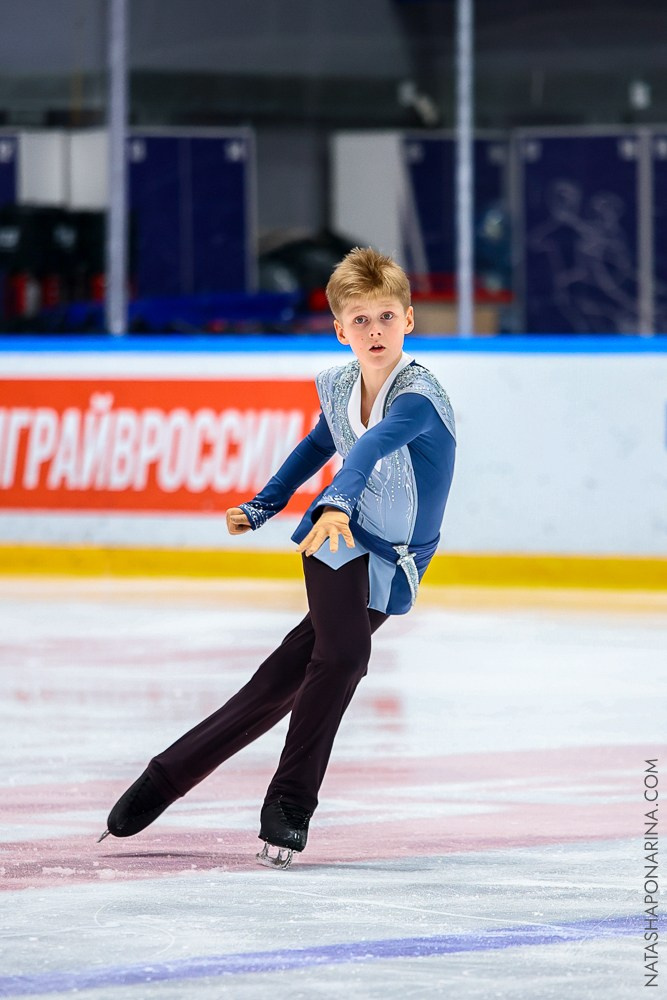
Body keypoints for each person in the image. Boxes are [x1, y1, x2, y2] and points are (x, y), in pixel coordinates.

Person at [99, 247, 456, 869]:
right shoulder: (339, 385)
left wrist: (338, 498)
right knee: (343, 657)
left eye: (386, 317)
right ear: (340, 330)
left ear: (408, 320)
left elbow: (373, 444)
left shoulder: (419, 396)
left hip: (397, 558)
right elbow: (320, 444)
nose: (375, 331)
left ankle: (164, 777)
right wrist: (266, 504)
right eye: (361, 320)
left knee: (280, 682)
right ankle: (289, 804)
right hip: (336, 535)